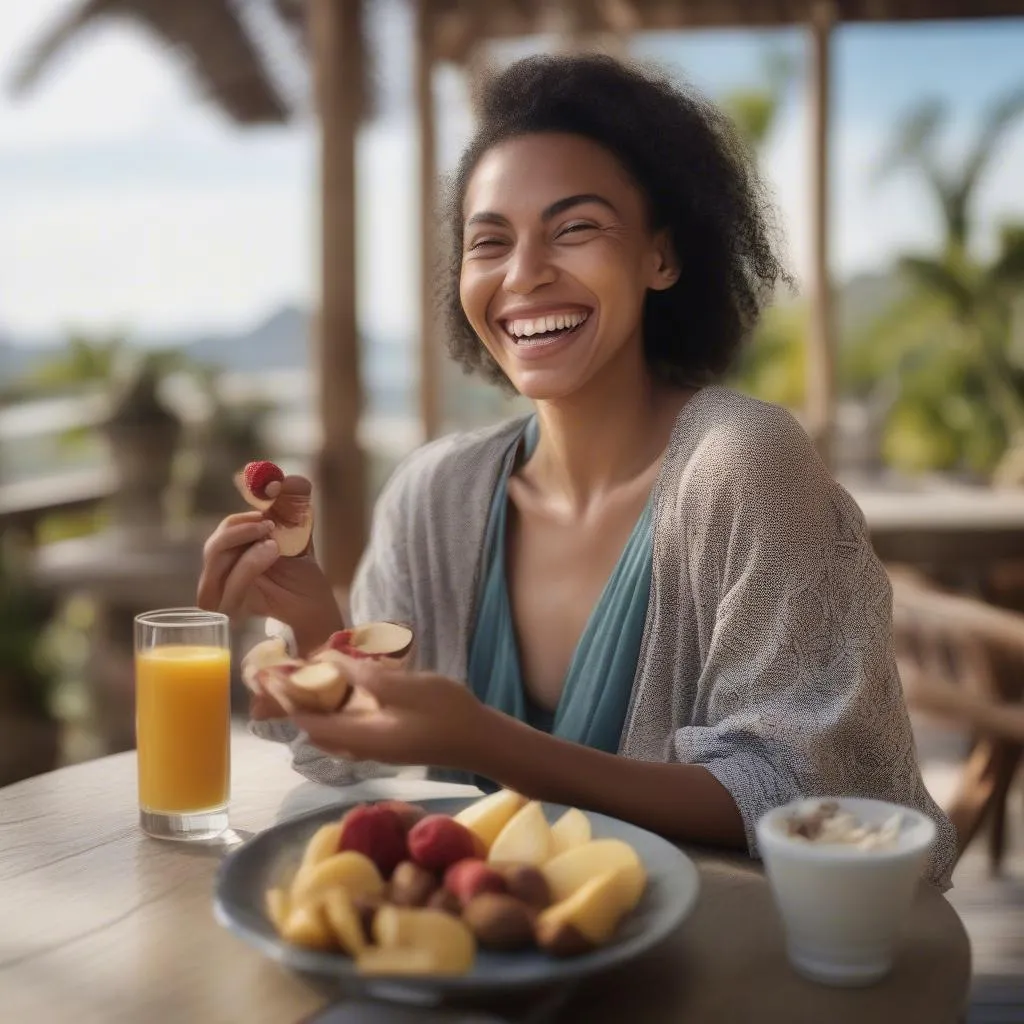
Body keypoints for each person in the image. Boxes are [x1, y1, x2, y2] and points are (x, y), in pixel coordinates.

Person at [197, 53, 957, 888]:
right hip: (503, 963)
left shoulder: (743, 466)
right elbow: (354, 750)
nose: (523, 274)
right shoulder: (434, 494)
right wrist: (311, 625)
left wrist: (484, 741)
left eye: (575, 228)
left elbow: (804, 795)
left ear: (662, 257)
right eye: (490, 242)